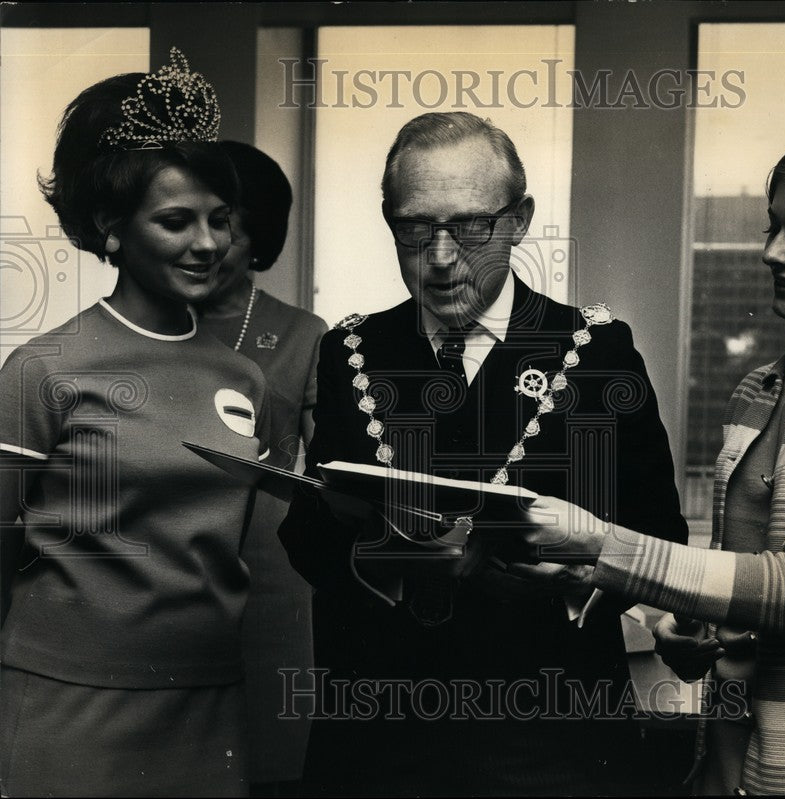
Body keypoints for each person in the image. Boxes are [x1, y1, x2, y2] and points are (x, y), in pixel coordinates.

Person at [514, 72, 785, 795]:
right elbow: (750, 608)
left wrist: (601, 545)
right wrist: (692, 631)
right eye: (773, 226)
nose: (772, 252)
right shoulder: (758, 390)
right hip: (724, 768)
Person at [277, 111, 689, 795]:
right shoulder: (351, 351)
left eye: (470, 226)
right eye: (415, 227)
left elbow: (661, 538)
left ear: (519, 220)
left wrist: (574, 579)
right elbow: (311, 537)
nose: (441, 257)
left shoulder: (594, 351)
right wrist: (384, 553)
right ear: (390, 221)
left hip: (553, 738)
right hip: (383, 740)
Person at [0, 50, 270, 796]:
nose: (209, 244)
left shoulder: (243, 377)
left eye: (221, 220)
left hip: (206, 703)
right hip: (70, 703)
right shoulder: (44, 369)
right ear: (111, 229)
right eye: (177, 222)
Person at [196, 140, 327, 792]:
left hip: (272, 581)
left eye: (224, 220)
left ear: (259, 233)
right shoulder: (134, 329)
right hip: (159, 571)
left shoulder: (305, 333)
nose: (203, 238)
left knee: (272, 764)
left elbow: (331, 474)